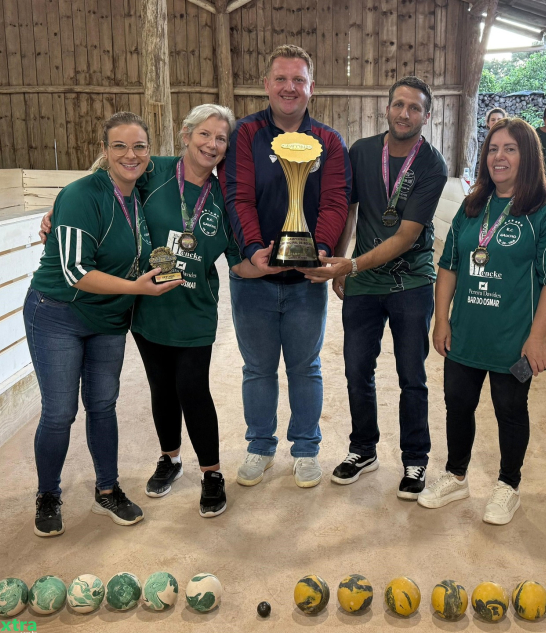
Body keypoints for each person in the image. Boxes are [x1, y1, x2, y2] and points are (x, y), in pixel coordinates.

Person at [27, 112, 182, 537]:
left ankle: (107, 489)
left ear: (149, 154)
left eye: (139, 147)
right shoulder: (81, 194)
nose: (130, 155)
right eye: (119, 146)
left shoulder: (139, 193)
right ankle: (47, 494)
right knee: (60, 412)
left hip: (110, 317)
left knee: (103, 406)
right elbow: (76, 271)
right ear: (105, 150)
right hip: (59, 313)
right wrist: (139, 289)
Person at [299, 76, 448, 498]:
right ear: (386, 108)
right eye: (398, 104)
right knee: (356, 370)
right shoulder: (362, 152)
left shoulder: (432, 164)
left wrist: (351, 263)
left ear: (426, 115)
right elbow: (349, 211)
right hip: (363, 281)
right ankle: (363, 449)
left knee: (411, 375)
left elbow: (404, 236)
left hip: (411, 281)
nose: (405, 113)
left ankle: (415, 460)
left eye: (414, 108)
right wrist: (342, 263)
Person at [417, 118, 546, 525]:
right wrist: (442, 320)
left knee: (509, 409)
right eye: (492, 149)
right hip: (467, 330)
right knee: (458, 405)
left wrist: (538, 338)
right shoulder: (473, 205)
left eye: (510, 149)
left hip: (514, 337)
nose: (499, 157)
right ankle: (455, 475)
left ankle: (508, 485)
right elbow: (448, 266)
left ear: (528, 156)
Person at [222, 45, 352, 489]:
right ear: (266, 85)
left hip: (305, 281)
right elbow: (237, 195)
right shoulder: (245, 134)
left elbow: (335, 200)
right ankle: (259, 445)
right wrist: (255, 250)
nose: (289, 87)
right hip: (255, 280)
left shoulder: (330, 142)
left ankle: (305, 449)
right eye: (281, 78)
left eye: (298, 79)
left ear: (311, 87)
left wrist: (320, 249)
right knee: (257, 368)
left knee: (305, 366)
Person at [130, 104, 265, 518]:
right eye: (204, 134)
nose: (212, 144)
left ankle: (211, 474)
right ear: (185, 134)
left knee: (192, 388)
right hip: (150, 307)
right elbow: (104, 188)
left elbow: (236, 259)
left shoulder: (227, 196)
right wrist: (56, 211)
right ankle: (170, 460)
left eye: (220, 138)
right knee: (161, 389)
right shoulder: (151, 172)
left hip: (195, 309)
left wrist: (264, 266)